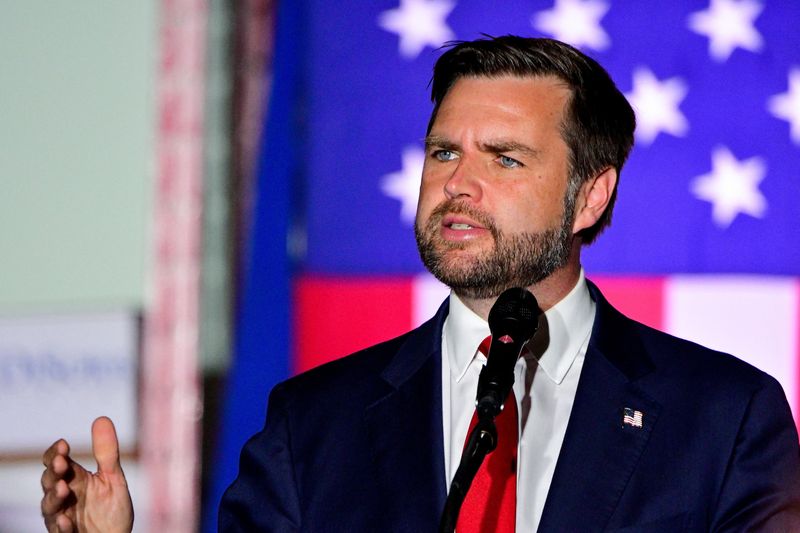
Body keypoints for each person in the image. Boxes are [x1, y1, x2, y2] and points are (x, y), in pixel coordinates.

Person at [41, 36, 800, 532]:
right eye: (443, 152)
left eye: (504, 158)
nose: (457, 183)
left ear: (591, 196)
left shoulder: (724, 419)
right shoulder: (311, 427)